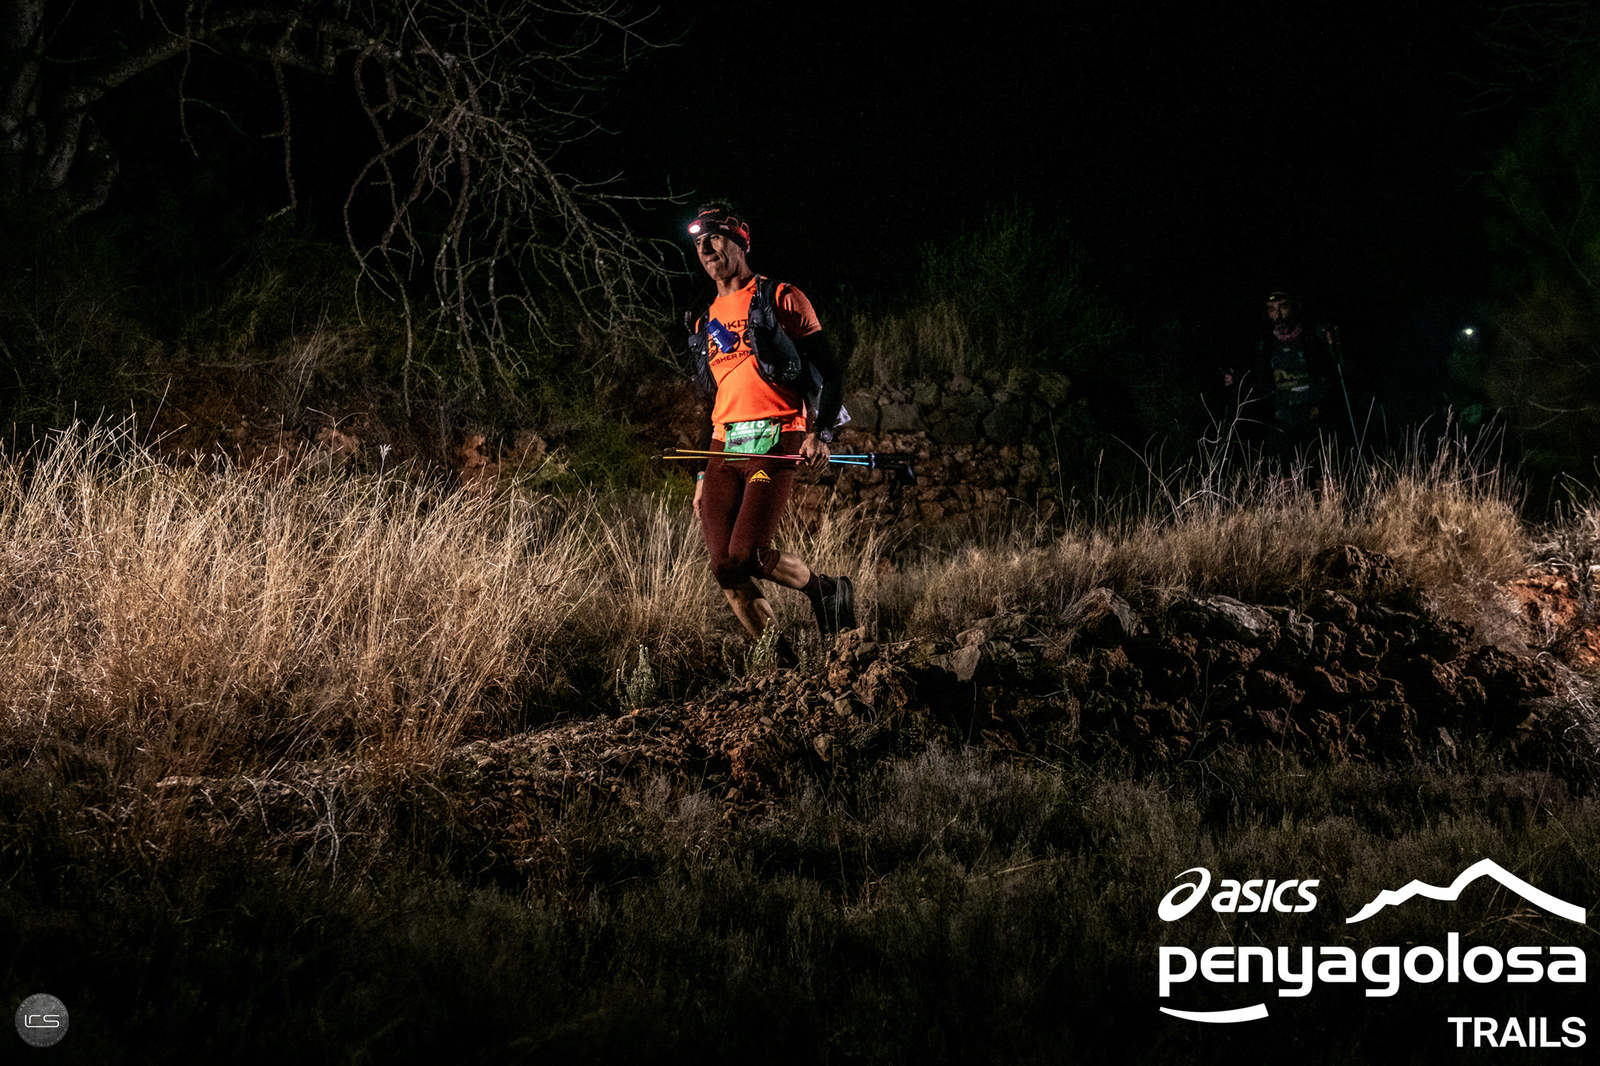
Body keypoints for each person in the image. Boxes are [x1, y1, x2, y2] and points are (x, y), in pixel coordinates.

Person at [682, 201, 854, 650]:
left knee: (748, 554)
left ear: (741, 242)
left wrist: (821, 433)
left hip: (775, 439)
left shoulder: (780, 297)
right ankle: (781, 667)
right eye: (699, 243)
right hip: (723, 447)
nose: (706, 249)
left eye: (716, 238)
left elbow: (832, 372)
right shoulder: (703, 318)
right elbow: (710, 403)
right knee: (725, 568)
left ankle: (826, 590)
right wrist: (701, 474)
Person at [1219, 288, 1347, 453]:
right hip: (1281, 420)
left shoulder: (1313, 337)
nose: (1278, 315)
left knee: (1323, 461)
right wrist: (1236, 379)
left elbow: (1335, 377)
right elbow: (1258, 383)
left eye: (1284, 307)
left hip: (1315, 417)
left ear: (1295, 306)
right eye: (1271, 309)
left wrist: (1334, 346)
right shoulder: (1264, 344)